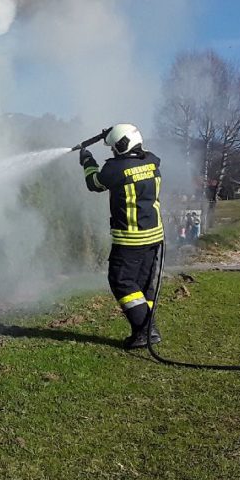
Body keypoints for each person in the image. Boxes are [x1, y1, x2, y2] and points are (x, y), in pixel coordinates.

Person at [80, 123, 163, 349]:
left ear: (122, 145)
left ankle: (146, 331)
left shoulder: (115, 169)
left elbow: (94, 183)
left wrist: (87, 161)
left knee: (121, 281)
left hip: (130, 239)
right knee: (143, 285)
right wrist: (109, 134)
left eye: (114, 147)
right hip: (154, 236)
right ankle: (144, 331)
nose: (113, 152)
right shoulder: (152, 161)